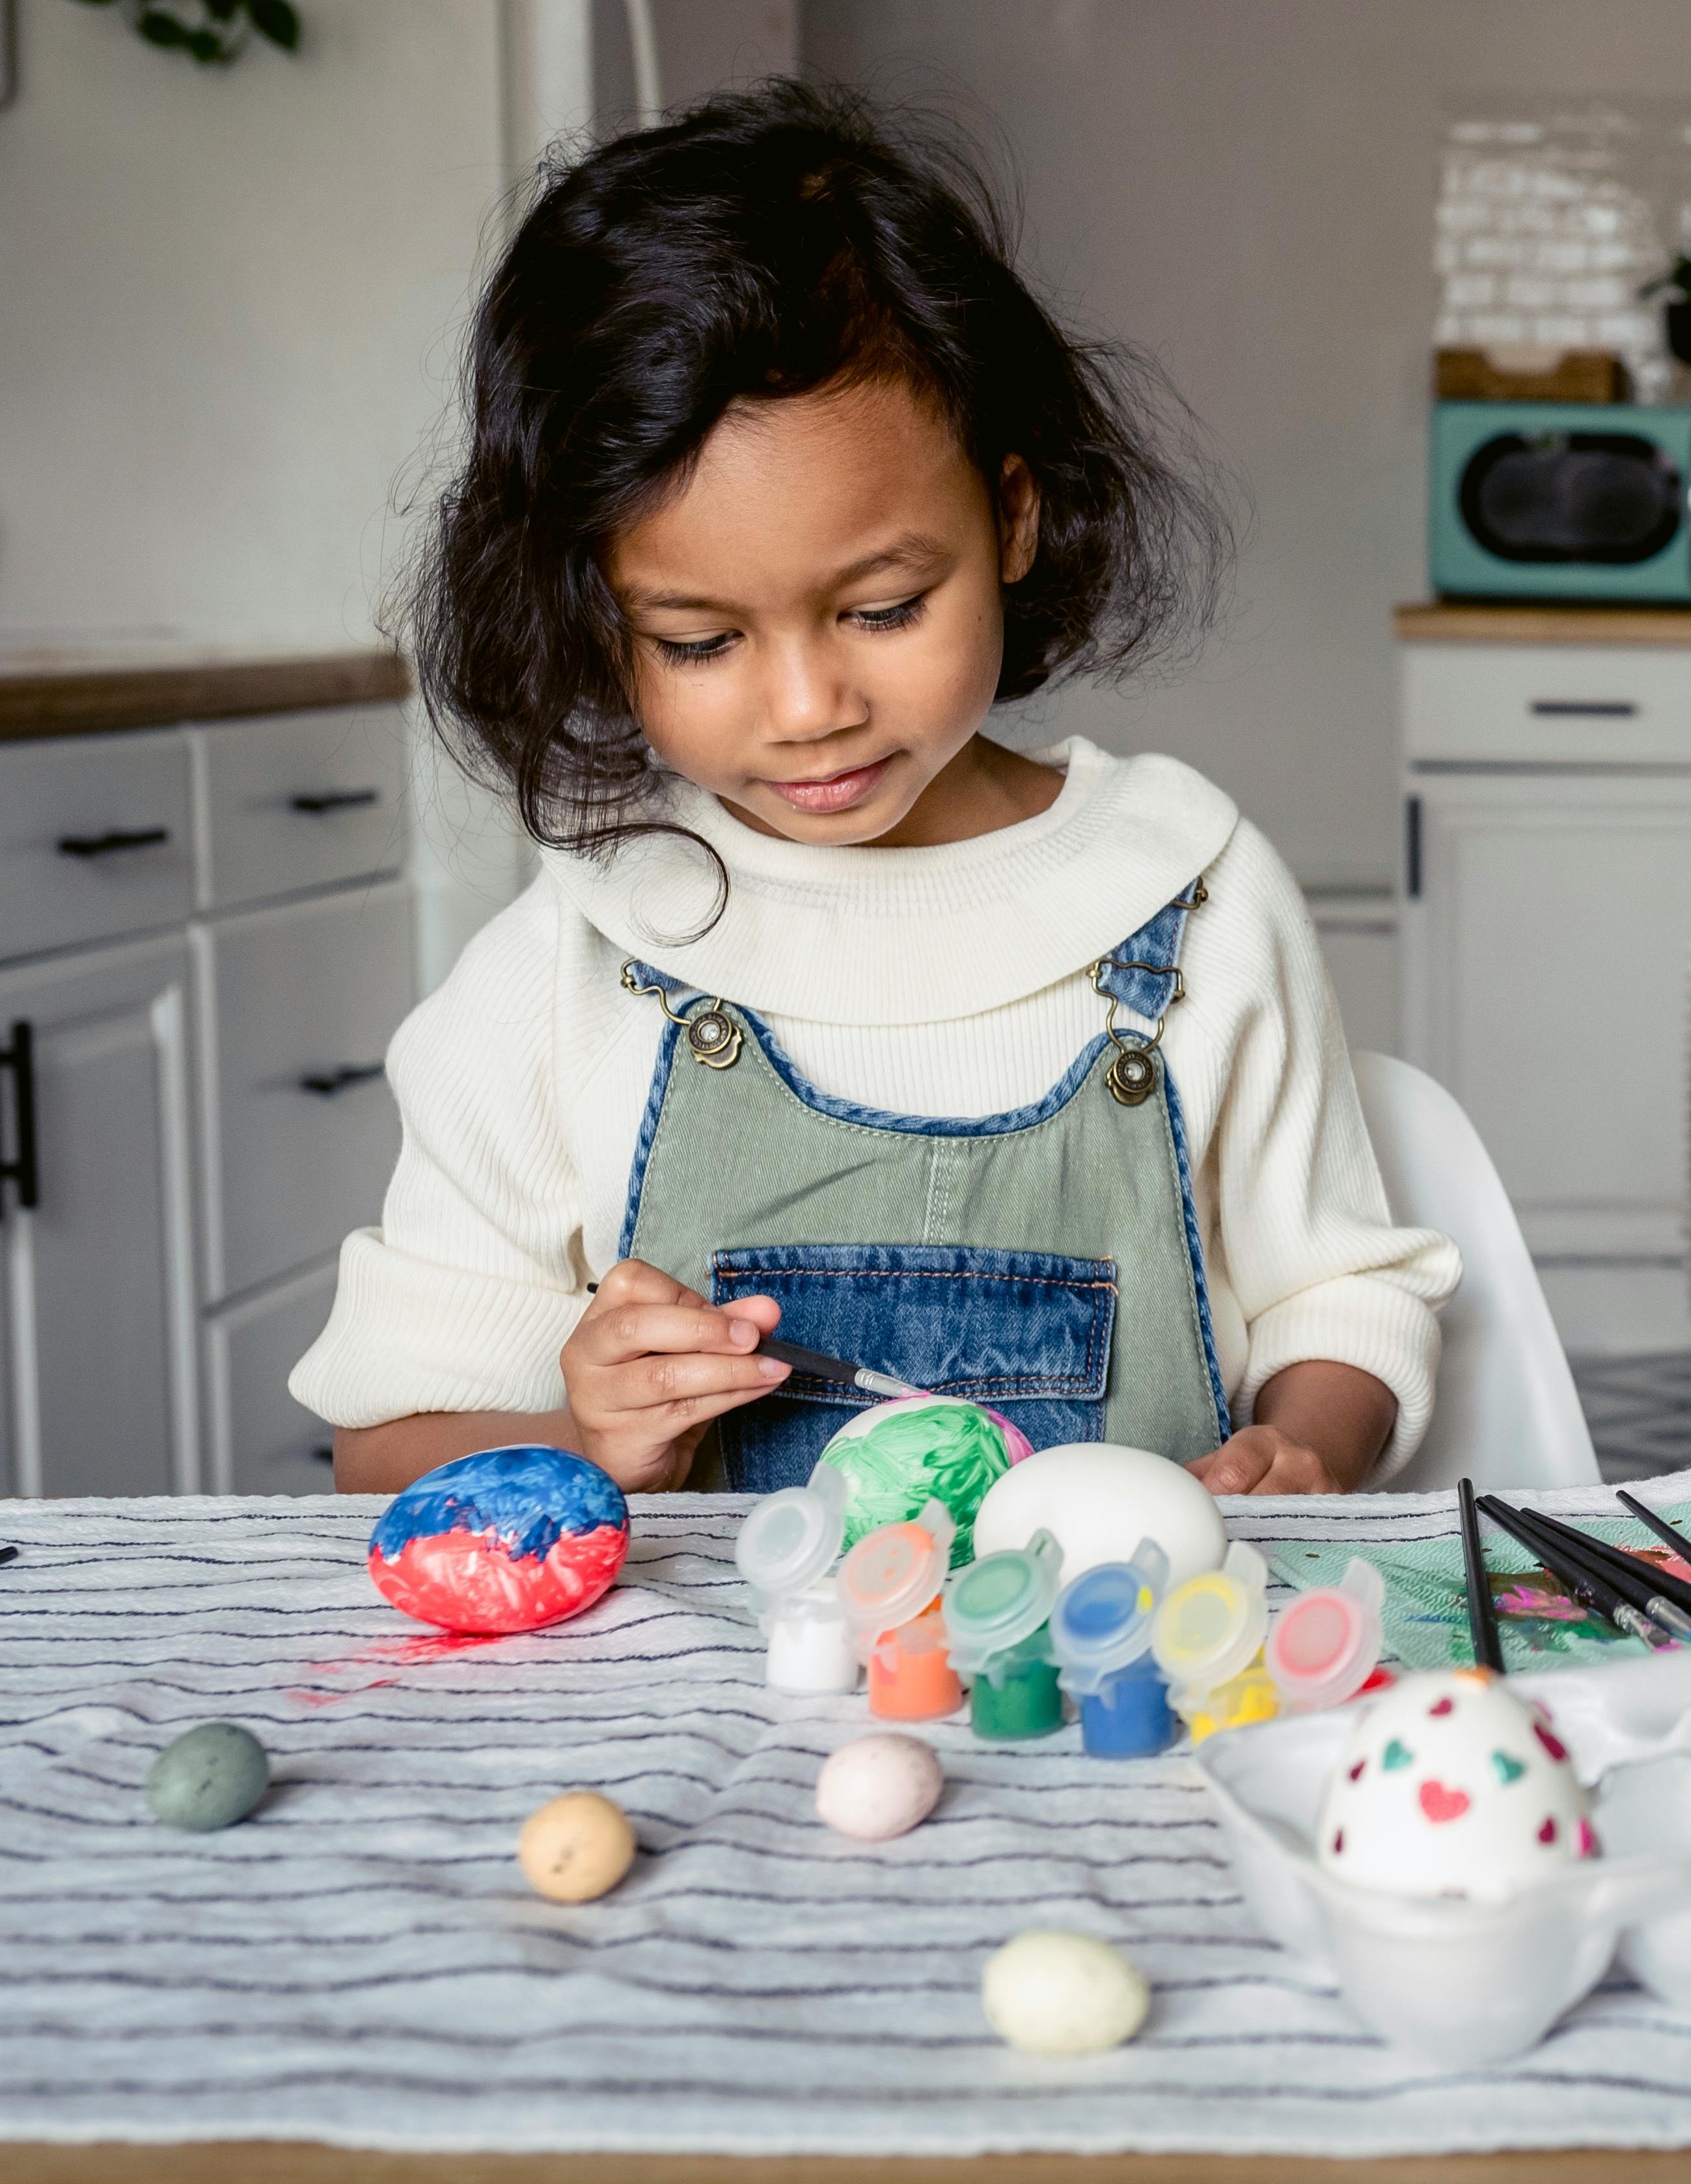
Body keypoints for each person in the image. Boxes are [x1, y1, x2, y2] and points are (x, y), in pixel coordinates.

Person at [302, 83, 1454, 1500]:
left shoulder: (1187, 891)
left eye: (885, 607)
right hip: (715, 1720)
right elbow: (385, 1448)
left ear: (1014, 516)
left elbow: (1341, 1299)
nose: (808, 708)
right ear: (594, 614)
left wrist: (1307, 1446)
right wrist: (590, 1441)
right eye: (702, 640)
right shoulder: (582, 954)